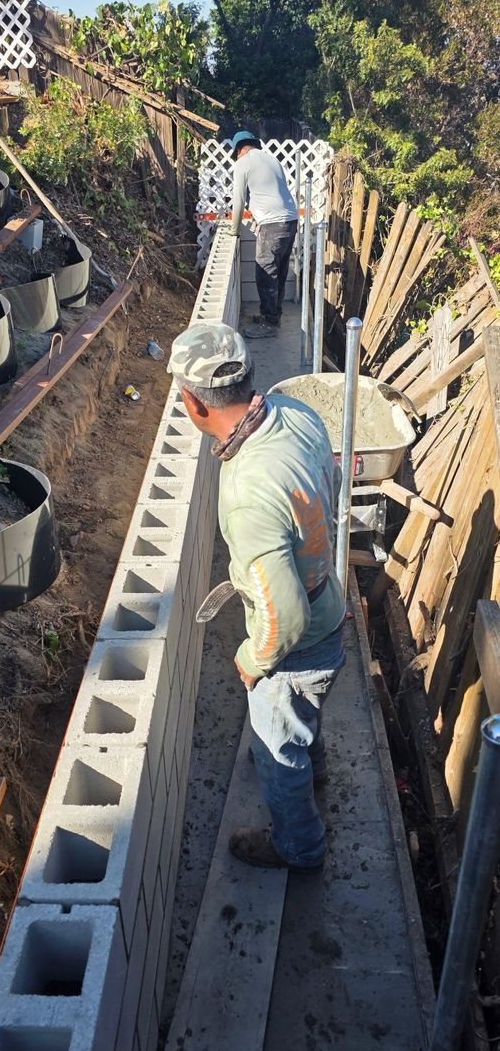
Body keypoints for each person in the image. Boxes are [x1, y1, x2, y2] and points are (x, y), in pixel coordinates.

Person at [168, 320, 346, 870]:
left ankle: (300, 846)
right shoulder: (295, 414)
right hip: (330, 609)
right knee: (301, 719)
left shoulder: (248, 493)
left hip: (298, 644)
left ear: (193, 403)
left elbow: (283, 620)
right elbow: (330, 485)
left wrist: (252, 659)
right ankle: (313, 764)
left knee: (276, 754)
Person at [228, 131, 298, 341]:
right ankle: (273, 314)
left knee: (265, 272)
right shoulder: (272, 160)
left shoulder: (242, 163)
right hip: (291, 220)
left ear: (239, 149)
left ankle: (270, 322)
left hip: (272, 224)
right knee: (280, 269)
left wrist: (235, 230)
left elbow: (239, 200)